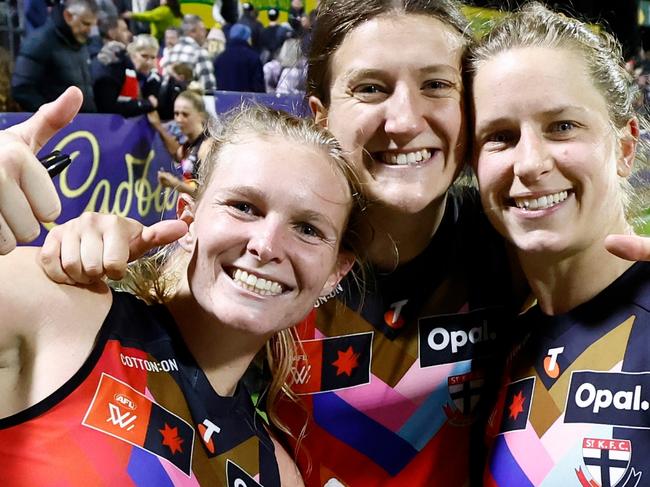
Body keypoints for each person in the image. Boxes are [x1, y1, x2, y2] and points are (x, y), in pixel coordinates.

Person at [0, 87, 362, 486]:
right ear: (188, 218)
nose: (266, 245)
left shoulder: (280, 472)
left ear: (336, 272)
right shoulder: (57, 311)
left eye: (308, 229)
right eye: (244, 207)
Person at [466, 3, 650, 486]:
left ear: (625, 146)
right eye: (501, 137)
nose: (529, 163)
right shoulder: (498, 342)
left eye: (562, 126)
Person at [11, 0, 99, 112]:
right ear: (68, 16)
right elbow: (22, 89)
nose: (89, 30)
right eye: (85, 23)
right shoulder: (40, 42)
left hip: (85, 124)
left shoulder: (80, 42)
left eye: (93, 25)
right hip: (57, 126)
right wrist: (51, 116)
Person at [148, 87, 208, 194]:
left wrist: (175, 183)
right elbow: (176, 152)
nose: (179, 119)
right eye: (176, 114)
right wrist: (158, 126)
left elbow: (207, 193)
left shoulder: (207, 146)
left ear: (201, 116)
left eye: (185, 114)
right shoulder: (188, 145)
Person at [91, 34, 160, 117]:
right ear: (132, 53)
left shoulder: (144, 76)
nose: (149, 62)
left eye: (153, 57)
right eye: (144, 56)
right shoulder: (113, 70)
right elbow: (108, 109)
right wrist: (145, 104)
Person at [160, 14, 217, 92]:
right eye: (203, 30)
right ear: (193, 32)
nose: (205, 34)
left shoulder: (168, 54)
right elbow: (209, 88)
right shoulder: (199, 53)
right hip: (192, 101)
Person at [214, 23, 265, 93]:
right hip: (246, 102)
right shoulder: (253, 58)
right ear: (247, 37)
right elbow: (258, 87)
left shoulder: (220, 58)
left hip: (224, 101)